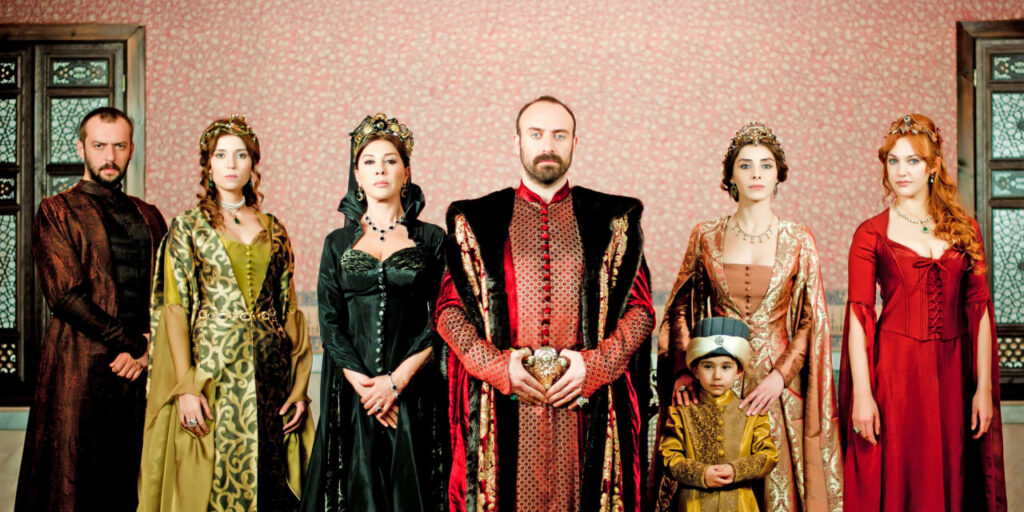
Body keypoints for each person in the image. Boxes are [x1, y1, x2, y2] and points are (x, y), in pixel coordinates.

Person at [437, 96, 656, 511]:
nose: (548, 145)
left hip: (585, 406)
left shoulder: (613, 220)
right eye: (536, 134)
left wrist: (596, 366)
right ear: (517, 142)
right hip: (504, 405)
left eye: (559, 135)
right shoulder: (477, 220)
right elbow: (449, 311)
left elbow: (641, 309)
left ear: (575, 142)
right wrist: (498, 367)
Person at [658, 122, 842, 512]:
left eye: (766, 165)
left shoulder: (799, 239)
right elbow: (679, 308)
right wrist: (684, 370)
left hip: (777, 389)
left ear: (778, 176)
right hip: (717, 382)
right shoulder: (706, 235)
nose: (756, 174)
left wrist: (781, 377)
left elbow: (811, 321)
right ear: (730, 177)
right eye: (745, 165)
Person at [137, 115, 314, 511]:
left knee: (270, 475)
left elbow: (288, 310)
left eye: (241, 155)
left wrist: (299, 388)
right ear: (208, 165)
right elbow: (175, 309)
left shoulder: (275, 228)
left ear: (253, 165)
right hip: (212, 372)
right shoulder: (188, 227)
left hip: (271, 373)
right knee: (213, 479)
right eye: (221, 155)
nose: (231, 164)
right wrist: (186, 386)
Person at [839, 113, 1006, 511]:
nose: (901, 171)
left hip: (955, 373)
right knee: (903, 476)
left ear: (933, 167)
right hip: (896, 374)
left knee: (957, 473)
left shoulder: (965, 229)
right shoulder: (870, 233)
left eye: (913, 161)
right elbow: (859, 315)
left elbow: (980, 310)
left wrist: (983, 389)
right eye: (893, 161)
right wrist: (863, 394)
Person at [14, 106, 166, 512]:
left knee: (136, 482)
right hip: (80, 370)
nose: (109, 157)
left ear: (131, 149)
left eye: (119, 146)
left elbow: (170, 293)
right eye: (99, 146)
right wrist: (136, 343)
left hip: (143, 374)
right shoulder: (57, 210)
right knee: (76, 486)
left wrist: (148, 350)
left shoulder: (150, 215)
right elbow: (66, 296)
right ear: (81, 148)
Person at [301, 113, 448, 511]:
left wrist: (396, 383)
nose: (380, 169)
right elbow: (330, 322)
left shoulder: (433, 238)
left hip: (413, 389)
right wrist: (368, 390)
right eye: (369, 161)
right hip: (355, 391)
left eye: (390, 160)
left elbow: (442, 316)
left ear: (406, 172)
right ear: (357, 175)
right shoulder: (336, 243)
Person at [657, 317, 778, 512]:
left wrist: (736, 470)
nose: (717, 376)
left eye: (726, 367)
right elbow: (669, 456)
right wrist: (701, 474)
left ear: (739, 371)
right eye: (708, 366)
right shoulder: (682, 412)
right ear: (695, 370)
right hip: (692, 506)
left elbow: (769, 455)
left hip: (742, 506)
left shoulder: (752, 413)